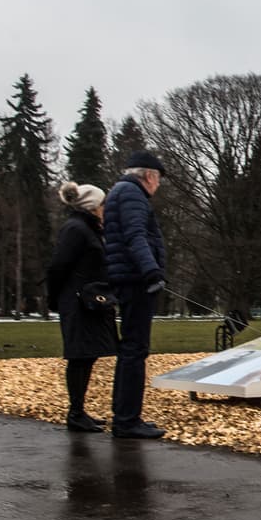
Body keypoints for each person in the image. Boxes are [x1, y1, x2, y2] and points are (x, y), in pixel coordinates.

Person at [104, 150, 169, 439]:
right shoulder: (132, 195)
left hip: (128, 277)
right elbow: (135, 235)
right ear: (149, 176)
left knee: (130, 349)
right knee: (135, 350)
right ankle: (127, 420)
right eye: (158, 181)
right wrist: (151, 271)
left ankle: (125, 416)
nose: (157, 187)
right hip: (135, 280)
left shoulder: (120, 192)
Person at [46, 181, 118, 432]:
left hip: (89, 301)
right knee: (80, 356)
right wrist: (56, 298)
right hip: (78, 301)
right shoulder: (76, 229)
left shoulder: (89, 229)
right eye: (103, 204)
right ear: (92, 206)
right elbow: (58, 266)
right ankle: (75, 413)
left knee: (87, 355)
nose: (105, 208)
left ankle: (79, 411)